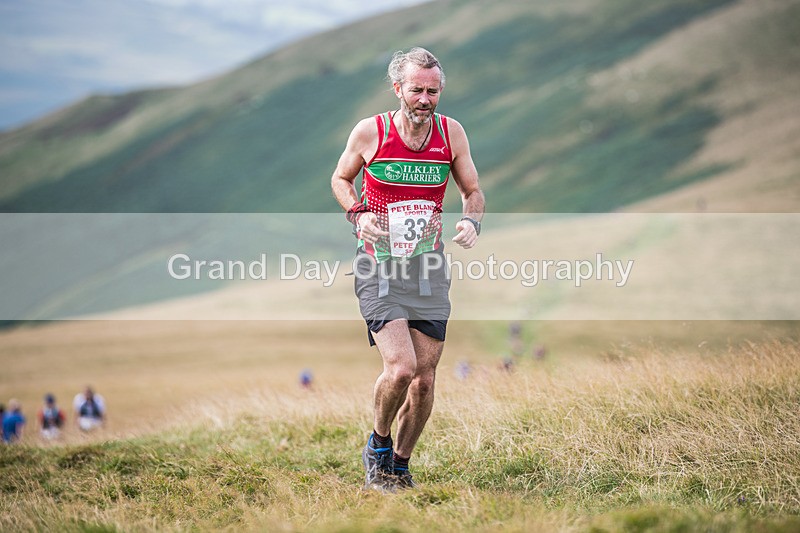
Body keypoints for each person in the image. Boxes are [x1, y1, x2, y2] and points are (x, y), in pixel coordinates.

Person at [331, 47, 485, 492]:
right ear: (398, 88)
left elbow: (472, 190)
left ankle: (399, 463)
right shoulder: (371, 131)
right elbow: (340, 178)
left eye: (432, 91)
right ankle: (377, 446)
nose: (424, 99)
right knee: (400, 369)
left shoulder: (451, 133)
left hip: (428, 266)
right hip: (378, 264)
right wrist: (359, 213)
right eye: (416, 89)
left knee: (424, 380)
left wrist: (470, 220)